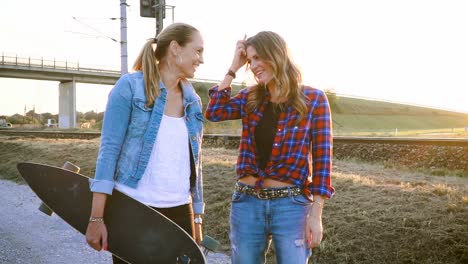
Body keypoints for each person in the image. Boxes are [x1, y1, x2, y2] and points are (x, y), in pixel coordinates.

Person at [205, 31, 335, 264]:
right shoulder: (251, 97)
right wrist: (233, 68)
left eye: (257, 58)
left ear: (275, 55)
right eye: (250, 60)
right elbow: (214, 112)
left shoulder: (314, 99)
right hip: (247, 203)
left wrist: (316, 215)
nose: (253, 66)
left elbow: (323, 160)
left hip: (292, 206)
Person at [85, 23, 205, 264]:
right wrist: (96, 218)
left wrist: (197, 218)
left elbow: (195, 164)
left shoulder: (193, 100)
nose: (201, 59)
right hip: (133, 209)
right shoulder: (129, 87)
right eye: (198, 51)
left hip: (180, 211)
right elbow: (108, 151)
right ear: (175, 48)